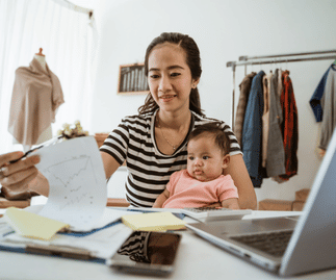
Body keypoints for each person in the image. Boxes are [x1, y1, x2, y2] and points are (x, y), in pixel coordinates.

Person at [0, 32, 257, 210]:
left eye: (175, 73)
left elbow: (247, 202)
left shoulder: (218, 133)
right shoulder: (130, 129)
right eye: (155, 76)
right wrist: (32, 181)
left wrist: (188, 215)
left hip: (200, 240)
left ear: (195, 79)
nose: (163, 86)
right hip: (140, 243)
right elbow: (86, 189)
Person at [153, 123, 239, 209]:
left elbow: (231, 206)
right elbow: (164, 195)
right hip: (166, 217)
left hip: (196, 220)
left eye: (205, 157)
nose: (196, 163)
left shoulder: (223, 183)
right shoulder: (178, 176)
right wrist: (156, 207)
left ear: (224, 161)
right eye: (191, 157)